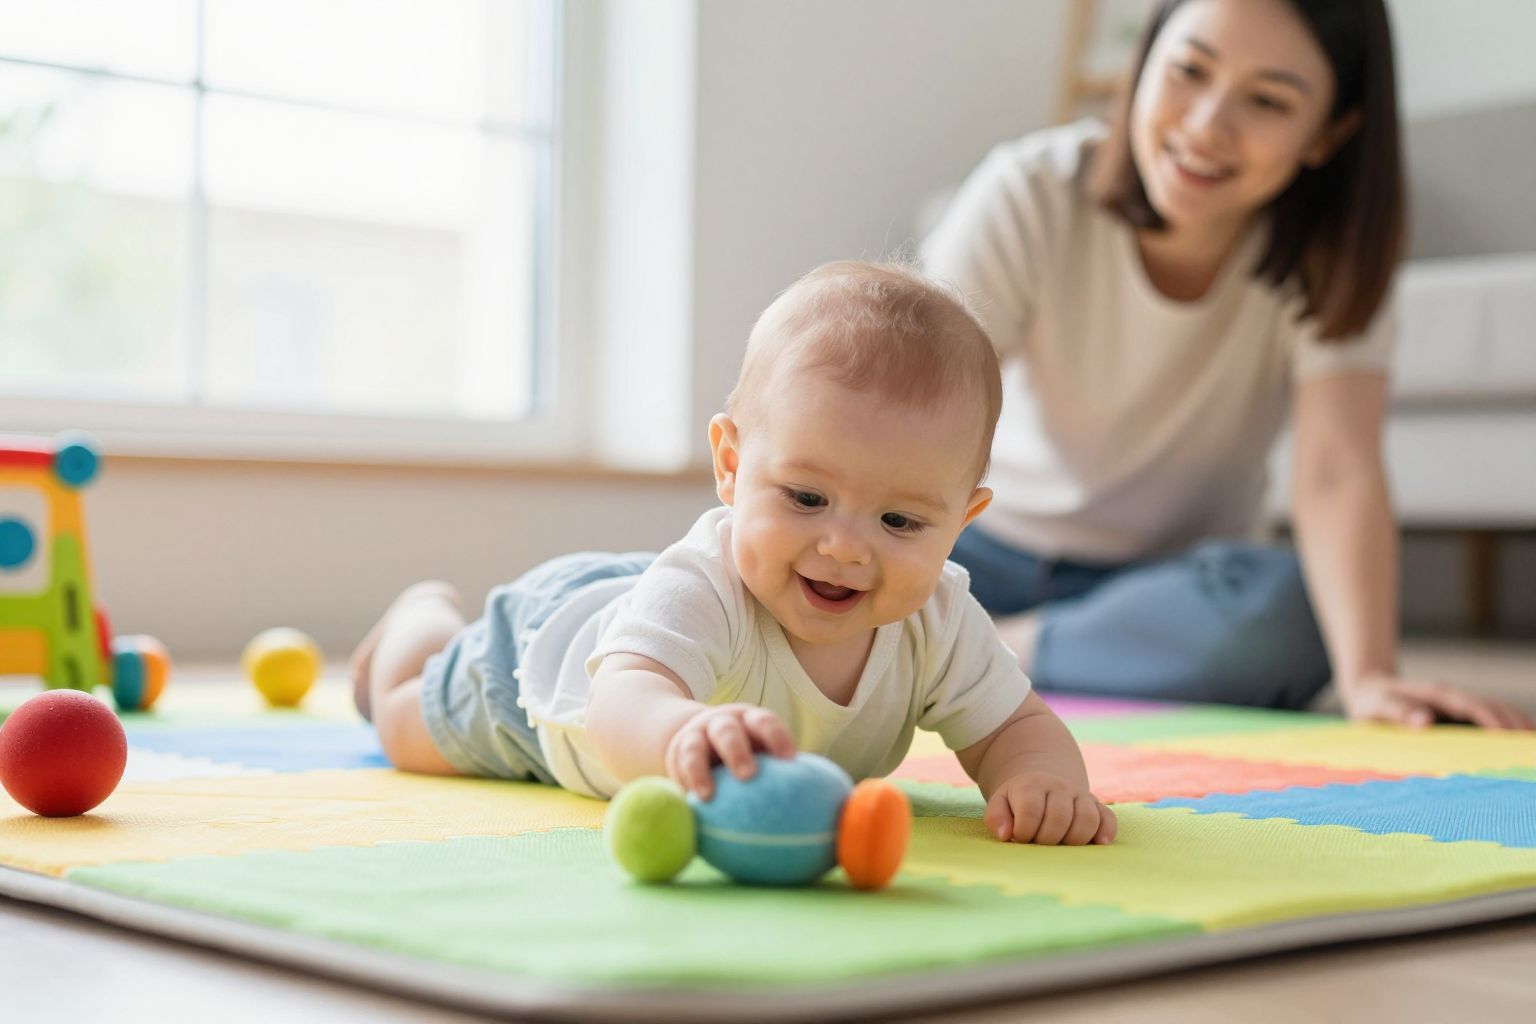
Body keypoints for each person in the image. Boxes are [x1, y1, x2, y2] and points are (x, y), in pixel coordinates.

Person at [350, 261, 1118, 846]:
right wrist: (681, 732)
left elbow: (1017, 726)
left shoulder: (941, 620)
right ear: (730, 465)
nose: (845, 547)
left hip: (644, 610)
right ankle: (424, 620)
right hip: (539, 670)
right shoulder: (706, 587)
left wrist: (1042, 781)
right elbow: (621, 703)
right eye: (806, 499)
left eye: (901, 521)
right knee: (406, 729)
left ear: (963, 520)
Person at [923, 0, 1532, 730]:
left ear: (1329, 134)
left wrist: (1369, 676)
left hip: (1169, 586)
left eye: (1268, 101)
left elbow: (1337, 469)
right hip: (981, 551)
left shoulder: (1328, 257)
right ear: (1143, 64)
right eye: (1188, 71)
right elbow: (922, 405)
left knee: (1298, 612)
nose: (1207, 124)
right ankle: (961, 637)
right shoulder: (1031, 190)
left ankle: (972, 651)